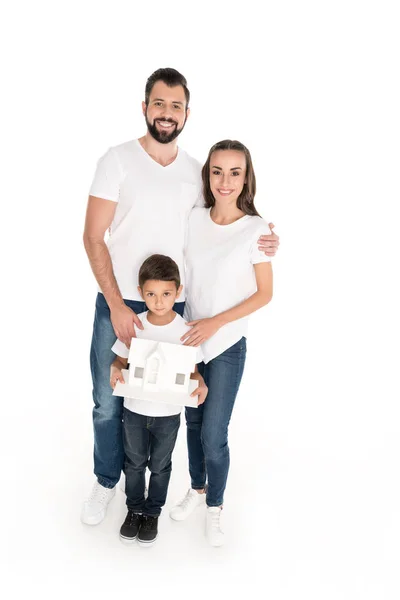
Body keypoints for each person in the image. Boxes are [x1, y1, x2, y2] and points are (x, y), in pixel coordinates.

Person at [82, 67, 280, 525]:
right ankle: (106, 481)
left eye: (176, 106)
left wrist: (266, 239)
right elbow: (93, 237)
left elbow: (224, 223)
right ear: (145, 107)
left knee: (171, 401)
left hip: (174, 310)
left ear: (186, 113)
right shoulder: (117, 160)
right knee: (107, 399)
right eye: (159, 103)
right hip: (120, 301)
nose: (167, 113)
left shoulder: (196, 172)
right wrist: (115, 304)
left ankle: (168, 491)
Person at [169, 140, 273, 547]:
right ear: (207, 175)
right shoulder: (193, 219)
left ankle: (216, 506)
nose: (224, 181)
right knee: (191, 424)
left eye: (234, 172)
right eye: (217, 171)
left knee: (214, 433)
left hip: (227, 345)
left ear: (246, 177)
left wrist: (215, 323)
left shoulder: (257, 230)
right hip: (191, 342)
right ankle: (196, 490)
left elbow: (264, 294)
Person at [109, 254, 206, 545]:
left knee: (161, 465)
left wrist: (200, 383)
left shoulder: (185, 330)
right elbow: (119, 360)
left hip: (168, 414)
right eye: (151, 294)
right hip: (135, 409)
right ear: (141, 293)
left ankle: (153, 512)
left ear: (178, 292)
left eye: (166, 294)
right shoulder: (134, 324)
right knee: (134, 462)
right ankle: (134, 508)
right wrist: (115, 369)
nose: (159, 301)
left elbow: (193, 371)